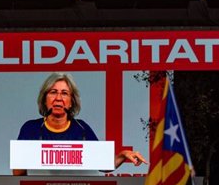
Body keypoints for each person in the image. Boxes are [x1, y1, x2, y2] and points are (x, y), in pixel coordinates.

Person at [13, 72, 146, 175]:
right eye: (53, 92)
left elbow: (103, 164)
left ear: (71, 101)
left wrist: (123, 155)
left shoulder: (81, 129)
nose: (58, 98)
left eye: (64, 93)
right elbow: (18, 174)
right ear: (44, 99)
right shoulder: (30, 129)